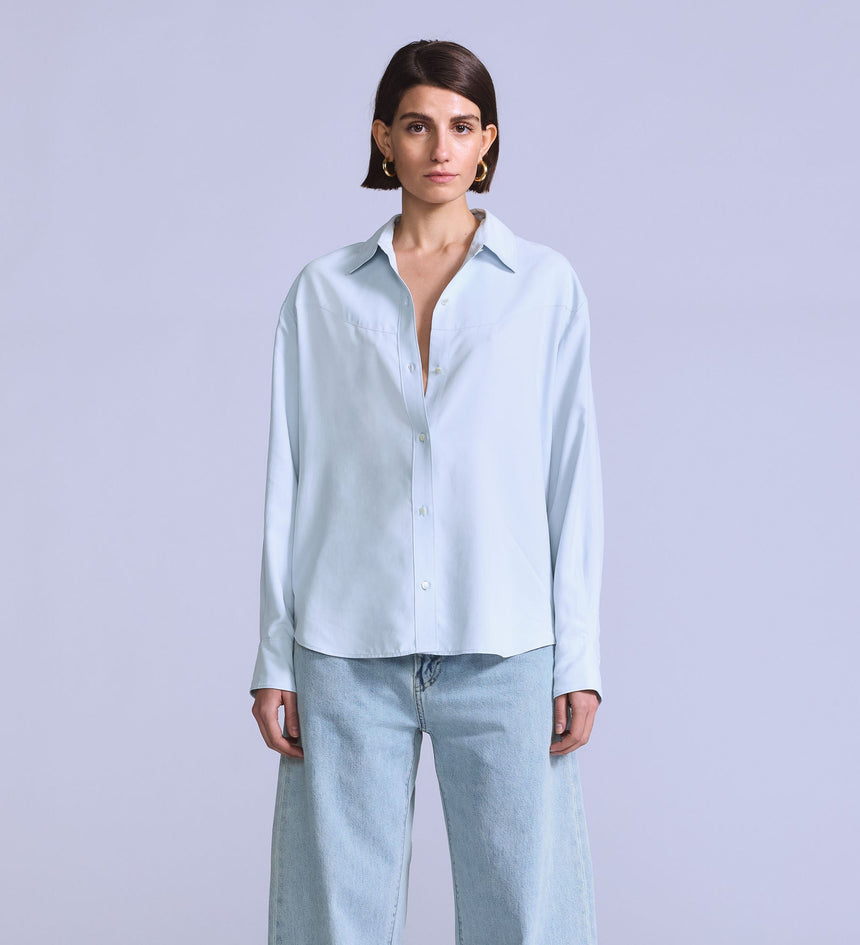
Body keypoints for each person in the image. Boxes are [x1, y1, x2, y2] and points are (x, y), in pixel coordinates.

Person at [250, 38, 605, 945]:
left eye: (461, 126)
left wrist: (579, 658)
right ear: (384, 139)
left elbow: (572, 475)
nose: (440, 148)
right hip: (345, 646)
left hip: (505, 643)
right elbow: (290, 474)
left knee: (525, 919)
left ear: (488, 141)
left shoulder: (544, 288)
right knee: (336, 923)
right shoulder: (323, 293)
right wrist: (275, 656)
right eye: (417, 126)